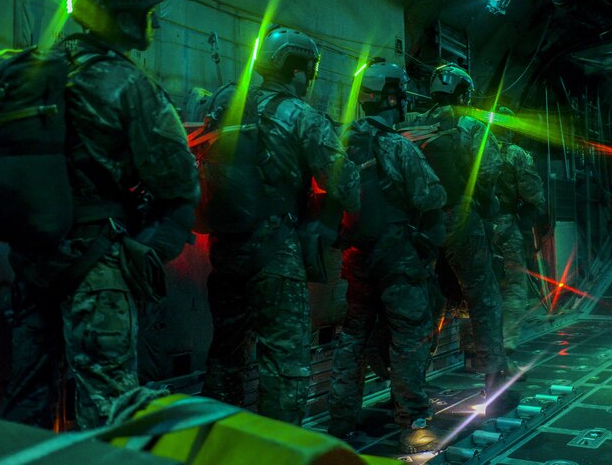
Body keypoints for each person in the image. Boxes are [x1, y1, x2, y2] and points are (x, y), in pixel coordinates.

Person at [0, 0, 200, 429]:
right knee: (108, 407)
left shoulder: (34, 71)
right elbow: (176, 178)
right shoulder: (128, 84)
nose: (156, 22)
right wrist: (148, 250)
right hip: (99, 267)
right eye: (148, 13)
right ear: (123, 17)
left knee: (26, 398)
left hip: (31, 262)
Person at [200, 26, 361, 425]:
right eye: (308, 69)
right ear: (296, 69)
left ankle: (219, 439)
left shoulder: (228, 103)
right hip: (275, 252)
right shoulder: (301, 115)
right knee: (285, 361)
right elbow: (349, 188)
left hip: (224, 248)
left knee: (226, 354)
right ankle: (281, 450)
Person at [327, 60, 446, 453]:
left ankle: (341, 419)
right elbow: (431, 196)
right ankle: (413, 422)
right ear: (393, 98)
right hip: (397, 259)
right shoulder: (398, 146)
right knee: (409, 338)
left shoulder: (340, 142)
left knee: (353, 336)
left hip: (356, 257)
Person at [398, 64, 511, 397]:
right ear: (463, 93)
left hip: (416, 225)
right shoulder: (470, 125)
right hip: (458, 218)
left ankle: (411, 384)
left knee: (426, 304)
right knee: (483, 295)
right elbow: (489, 171)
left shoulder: (411, 124)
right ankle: (493, 379)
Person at [488, 107, 548, 353]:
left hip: (474, 228)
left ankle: (484, 342)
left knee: (483, 286)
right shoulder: (515, 154)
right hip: (505, 227)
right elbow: (533, 193)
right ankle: (507, 342)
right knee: (513, 286)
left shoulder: (473, 153)